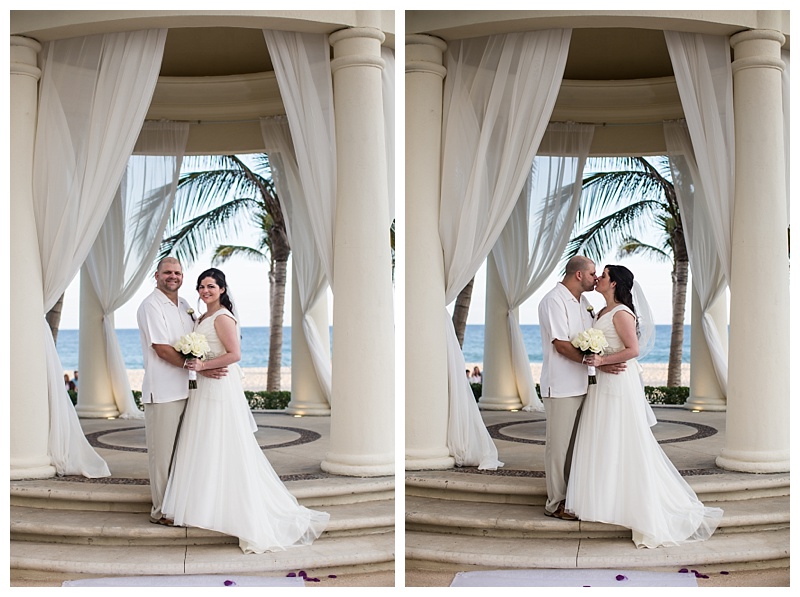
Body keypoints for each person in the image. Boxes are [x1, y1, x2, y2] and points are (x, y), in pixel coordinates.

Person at [162, 268, 329, 553]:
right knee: (203, 444)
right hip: (204, 387)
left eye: (211, 286)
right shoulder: (201, 317)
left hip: (218, 389)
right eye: (201, 286)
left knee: (222, 443)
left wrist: (202, 366)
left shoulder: (223, 317)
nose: (205, 291)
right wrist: (198, 364)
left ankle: (234, 509)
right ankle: (201, 506)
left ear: (222, 289)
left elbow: (235, 355)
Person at [566, 265, 723, 548]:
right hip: (603, 383)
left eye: (603, 275)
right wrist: (597, 360)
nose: (598, 278)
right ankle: (606, 499)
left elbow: (633, 350)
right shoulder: (601, 312)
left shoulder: (622, 313)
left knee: (622, 438)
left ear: (614, 284)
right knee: (603, 439)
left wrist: (601, 361)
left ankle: (634, 503)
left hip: (617, 384)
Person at [136, 257, 227, 526]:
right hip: (163, 391)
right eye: (167, 272)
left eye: (177, 272)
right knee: (162, 455)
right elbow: (161, 348)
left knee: (182, 454)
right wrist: (200, 368)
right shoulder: (151, 306)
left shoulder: (186, 305)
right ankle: (161, 510)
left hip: (189, 390)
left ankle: (180, 503)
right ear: (156, 275)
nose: (172, 276)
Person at [537, 256, 625, 520]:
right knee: (558, 447)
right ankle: (556, 503)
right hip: (561, 384)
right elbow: (561, 344)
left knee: (575, 447)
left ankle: (573, 495)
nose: (596, 278)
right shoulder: (554, 300)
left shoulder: (585, 303)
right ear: (579, 275)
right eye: (592, 274)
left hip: (584, 384)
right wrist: (598, 365)